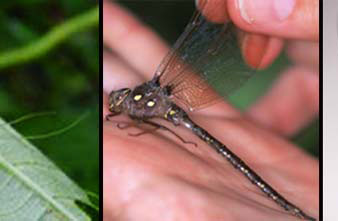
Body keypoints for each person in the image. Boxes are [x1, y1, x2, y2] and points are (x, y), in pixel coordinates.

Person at [103, 0, 318, 220]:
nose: (121, 100)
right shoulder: (145, 98)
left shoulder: (142, 103)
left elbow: (151, 126)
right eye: (119, 100)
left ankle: (292, 208)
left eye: (121, 99)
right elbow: (154, 125)